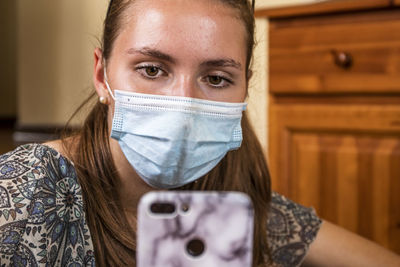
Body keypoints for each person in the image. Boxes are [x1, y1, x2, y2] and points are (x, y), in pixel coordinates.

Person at [0, 0, 399, 266]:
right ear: (102, 75)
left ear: (245, 85)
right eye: (152, 69)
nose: (185, 107)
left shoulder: (235, 191)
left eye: (216, 78)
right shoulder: (27, 190)